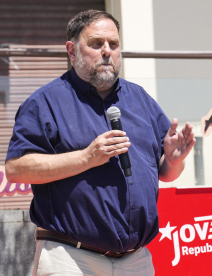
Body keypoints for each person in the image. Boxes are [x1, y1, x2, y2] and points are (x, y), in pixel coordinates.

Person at [5, 10, 196, 276]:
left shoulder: (140, 99)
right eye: (96, 44)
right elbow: (17, 168)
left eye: (114, 44)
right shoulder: (45, 103)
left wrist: (174, 161)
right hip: (71, 258)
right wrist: (87, 157)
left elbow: (166, 172)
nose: (107, 51)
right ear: (72, 51)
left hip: (136, 260)